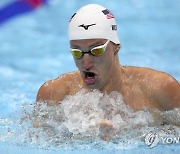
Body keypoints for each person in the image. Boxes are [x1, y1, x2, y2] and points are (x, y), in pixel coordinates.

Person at [36, 4, 180, 111]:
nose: (86, 63)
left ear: (116, 46)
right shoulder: (54, 94)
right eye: (77, 52)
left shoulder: (160, 89)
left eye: (96, 50)